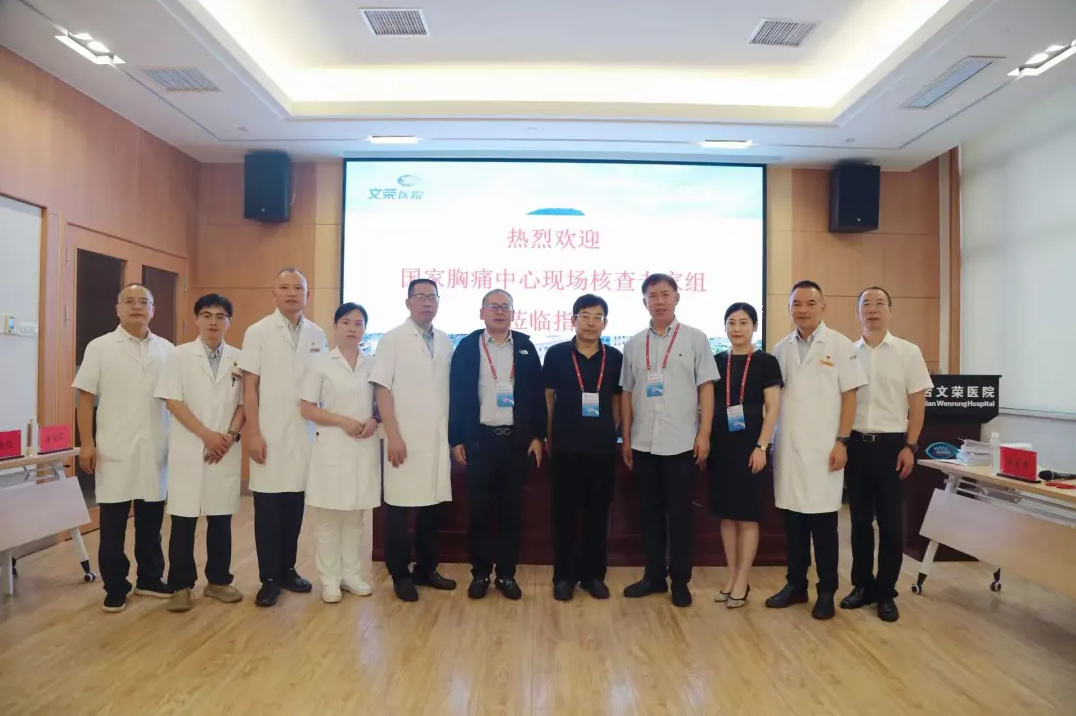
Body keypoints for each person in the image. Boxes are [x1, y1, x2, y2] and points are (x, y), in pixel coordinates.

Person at [767, 280, 866, 620]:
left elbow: (850, 396)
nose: (803, 309)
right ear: (789, 309)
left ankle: (826, 591)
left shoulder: (839, 345)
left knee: (824, 526)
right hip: (789, 449)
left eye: (810, 303)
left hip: (825, 449)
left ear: (823, 307)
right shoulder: (780, 349)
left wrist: (843, 441)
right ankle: (796, 585)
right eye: (796, 304)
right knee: (793, 524)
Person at [73, 283, 174, 613]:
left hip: (155, 446)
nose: (137, 306)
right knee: (113, 525)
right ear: (118, 309)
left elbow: (177, 400)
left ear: (153, 310)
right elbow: (85, 398)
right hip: (113, 448)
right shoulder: (100, 347)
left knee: (151, 522)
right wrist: (87, 443)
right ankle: (115, 586)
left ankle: (150, 578)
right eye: (129, 301)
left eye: (144, 301)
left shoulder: (167, 350)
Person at [620, 273, 718, 607]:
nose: (659, 301)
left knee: (680, 516)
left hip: (681, 443)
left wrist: (704, 433)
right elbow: (627, 392)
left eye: (665, 294)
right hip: (643, 443)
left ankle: (680, 581)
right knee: (648, 514)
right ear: (644, 302)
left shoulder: (695, 338)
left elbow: (706, 387)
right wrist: (626, 438)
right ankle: (653, 576)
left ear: (677, 297)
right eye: (653, 296)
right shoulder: (634, 344)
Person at [841, 286, 933, 623]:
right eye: (866, 304)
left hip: (893, 447)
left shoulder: (908, 352)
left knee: (892, 526)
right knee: (860, 523)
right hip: (856, 445)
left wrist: (911, 446)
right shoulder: (848, 354)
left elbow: (918, 404)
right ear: (857, 313)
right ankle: (862, 586)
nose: (873, 309)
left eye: (880, 303)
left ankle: (886, 592)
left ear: (890, 311)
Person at [449, 289, 546, 600]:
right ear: (482, 313)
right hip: (480, 442)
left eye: (506, 307)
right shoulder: (467, 347)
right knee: (478, 512)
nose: (500, 311)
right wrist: (456, 438)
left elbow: (537, 395)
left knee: (511, 512)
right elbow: (457, 395)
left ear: (513, 313)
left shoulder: (526, 347)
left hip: (516, 443)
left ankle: (506, 574)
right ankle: (480, 574)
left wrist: (538, 436)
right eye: (494, 306)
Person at [239, 268, 328, 607]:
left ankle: (288, 569)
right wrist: (253, 432)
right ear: (274, 293)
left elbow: (322, 385)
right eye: (285, 287)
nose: (292, 293)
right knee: (268, 509)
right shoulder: (258, 331)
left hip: (305, 434)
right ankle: (269, 578)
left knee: (294, 505)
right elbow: (249, 387)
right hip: (269, 432)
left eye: (298, 288)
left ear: (308, 295)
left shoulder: (318, 334)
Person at [154, 294, 245, 612]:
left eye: (220, 316)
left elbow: (245, 404)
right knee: (183, 520)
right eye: (206, 315)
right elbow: (172, 401)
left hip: (225, 448)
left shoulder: (239, 359)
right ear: (196, 319)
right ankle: (180, 585)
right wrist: (207, 435)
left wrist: (229, 437)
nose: (213, 322)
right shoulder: (178, 356)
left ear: (229, 322)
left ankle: (218, 581)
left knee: (221, 519)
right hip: (190, 446)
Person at [370, 278, 456, 602]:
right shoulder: (392, 339)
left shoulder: (445, 340)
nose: (427, 302)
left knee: (432, 508)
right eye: (420, 297)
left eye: (433, 297)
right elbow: (381, 389)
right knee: (398, 509)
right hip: (403, 438)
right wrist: (392, 435)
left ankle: (426, 568)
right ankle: (400, 573)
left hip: (435, 439)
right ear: (408, 303)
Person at [542, 293, 624, 601]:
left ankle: (593, 576)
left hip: (601, 449)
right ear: (573, 319)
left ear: (605, 322)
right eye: (585, 316)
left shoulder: (614, 357)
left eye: (597, 317)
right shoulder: (556, 354)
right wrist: (548, 436)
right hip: (565, 447)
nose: (591, 323)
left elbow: (617, 401)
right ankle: (564, 576)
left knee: (597, 513)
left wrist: (610, 431)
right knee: (564, 514)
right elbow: (548, 398)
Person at [299, 303, 381, 603]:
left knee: (355, 519)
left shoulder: (373, 364)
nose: (352, 328)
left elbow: (381, 405)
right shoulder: (320, 363)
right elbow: (307, 408)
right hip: (331, 446)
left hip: (363, 447)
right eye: (346, 322)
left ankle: (351, 575)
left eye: (358, 323)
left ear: (365, 329)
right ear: (335, 326)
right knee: (328, 519)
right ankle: (330, 579)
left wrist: (374, 421)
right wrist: (341, 421)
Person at [709, 302, 782, 609]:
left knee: (748, 515)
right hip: (721, 447)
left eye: (743, 322)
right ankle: (731, 577)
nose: (737, 328)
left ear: (754, 326)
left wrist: (762, 446)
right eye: (731, 322)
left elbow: (773, 408)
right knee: (727, 515)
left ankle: (743, 579)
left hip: (751, 447)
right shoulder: (716, 361)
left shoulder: (766, 361)